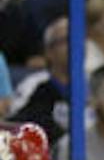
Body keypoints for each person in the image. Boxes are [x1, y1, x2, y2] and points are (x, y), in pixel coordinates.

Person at [11, 16, 69, 145]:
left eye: (78, 40)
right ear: (48, 51)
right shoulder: (33, 85)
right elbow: (16, 126)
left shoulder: (95, 82)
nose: (73, 46)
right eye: (65, 41)